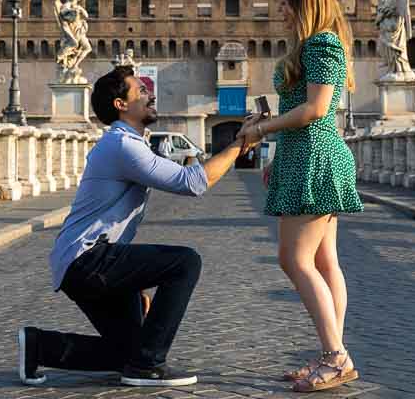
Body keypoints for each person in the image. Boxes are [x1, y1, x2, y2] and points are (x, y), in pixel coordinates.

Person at [19, 65, 249, 388]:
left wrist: (133, 282)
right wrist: (239, 144)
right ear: (120, 105)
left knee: (128, 351)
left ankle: (39, 346)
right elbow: (192, 182)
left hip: (83, 260)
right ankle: (149, 367)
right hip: (86, 259)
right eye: (140, 91)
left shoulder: (128, 144)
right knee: (185, 263)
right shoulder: (122, 146)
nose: (150, 94)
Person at [239, 0, 364, 392]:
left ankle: (335, 356)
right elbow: (303, 109)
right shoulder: (310, 46)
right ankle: (334, 351)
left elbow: (316, 109)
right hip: (302, 154)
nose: (279, 6)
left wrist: (262, 131)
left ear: (303, 1)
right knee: (325, 261)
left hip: (316, 156)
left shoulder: (324, 43)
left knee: (293, 259)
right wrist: (275, 144)